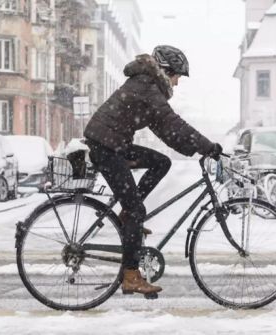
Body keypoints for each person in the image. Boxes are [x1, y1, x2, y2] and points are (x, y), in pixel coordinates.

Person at [83, 45, 223, 296]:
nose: (178, 83)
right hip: (107, 147)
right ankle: (131, 276)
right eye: (178, 76)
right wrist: (207, 146)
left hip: (112, 143)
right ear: (166, 70)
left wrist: (197, 148)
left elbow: (166, 130)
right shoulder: (147, 86)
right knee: (138, 210)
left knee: (161, 162)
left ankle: (128, 215)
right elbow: (173, 124)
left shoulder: (147, 85)